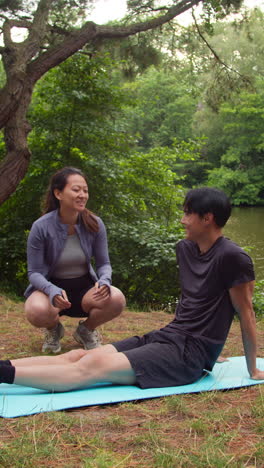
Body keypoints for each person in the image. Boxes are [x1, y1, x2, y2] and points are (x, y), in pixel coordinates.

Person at [2, 187, 263, 391]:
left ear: (207, 218)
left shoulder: (233, 257)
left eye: (187, 214)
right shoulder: (186, 249)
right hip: (170, 336)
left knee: (92, 365)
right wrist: (212, 349)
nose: (182, 220)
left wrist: (250, 368)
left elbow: (246, 313)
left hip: (187, 357)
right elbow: (195, 302)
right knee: (80, 355)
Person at [24, 167, 126, 353]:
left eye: (85, 190)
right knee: (35, 311)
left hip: (84, 288)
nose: (82, 195)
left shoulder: (94, 223)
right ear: (58, 193)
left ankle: (86, 330)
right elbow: (34, 273)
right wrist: (52, 290)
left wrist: (104, 281)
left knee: (117, 298)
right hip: (51, 290)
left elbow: (104, 264)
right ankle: (53, 329)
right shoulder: (41, 227)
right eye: (76, 190)